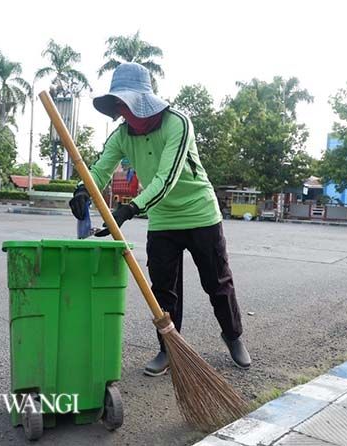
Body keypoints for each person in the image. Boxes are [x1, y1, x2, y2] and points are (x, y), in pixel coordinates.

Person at [69, 63, 251, 376]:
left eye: (125, 104)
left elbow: (166, 179)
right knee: (163, 291)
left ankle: (233, 336)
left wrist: (127, 210)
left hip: (199, 212)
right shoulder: (122, 135)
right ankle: (169, 349)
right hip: (163, 220)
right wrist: (83, 190)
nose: (122, 113)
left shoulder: (177, 123)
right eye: (118, 106)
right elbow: (99, 170)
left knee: (217, 283)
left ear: (142, 101)